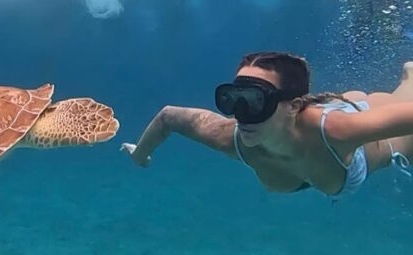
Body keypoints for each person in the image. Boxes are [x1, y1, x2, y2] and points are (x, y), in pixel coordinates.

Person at [121, 50, 413, 198]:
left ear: (293, 105)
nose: (240, 114)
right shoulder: (232, 137)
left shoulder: (336, 131)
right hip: (307, 125)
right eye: (234, 99)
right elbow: (169, 116)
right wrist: (140, 154)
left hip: (342, 137)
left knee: (400, 118)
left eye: (254, 100)